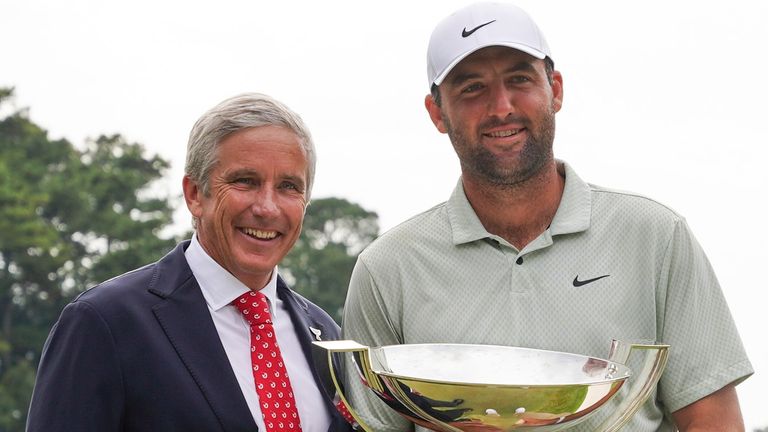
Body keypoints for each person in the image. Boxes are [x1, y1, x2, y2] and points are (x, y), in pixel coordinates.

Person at [341, 2, 753, 431]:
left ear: (555, 89)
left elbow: (712, 418)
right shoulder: (387, 269)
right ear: (436, 113)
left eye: (519, 79)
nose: (501, 107)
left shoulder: (654, 236)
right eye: (471, 88)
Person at [26, 93, 354, 432]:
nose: (267, 208)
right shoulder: (105, 322)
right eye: (245, 181)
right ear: (195, 193)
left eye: (288, 186)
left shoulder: (325, 333)